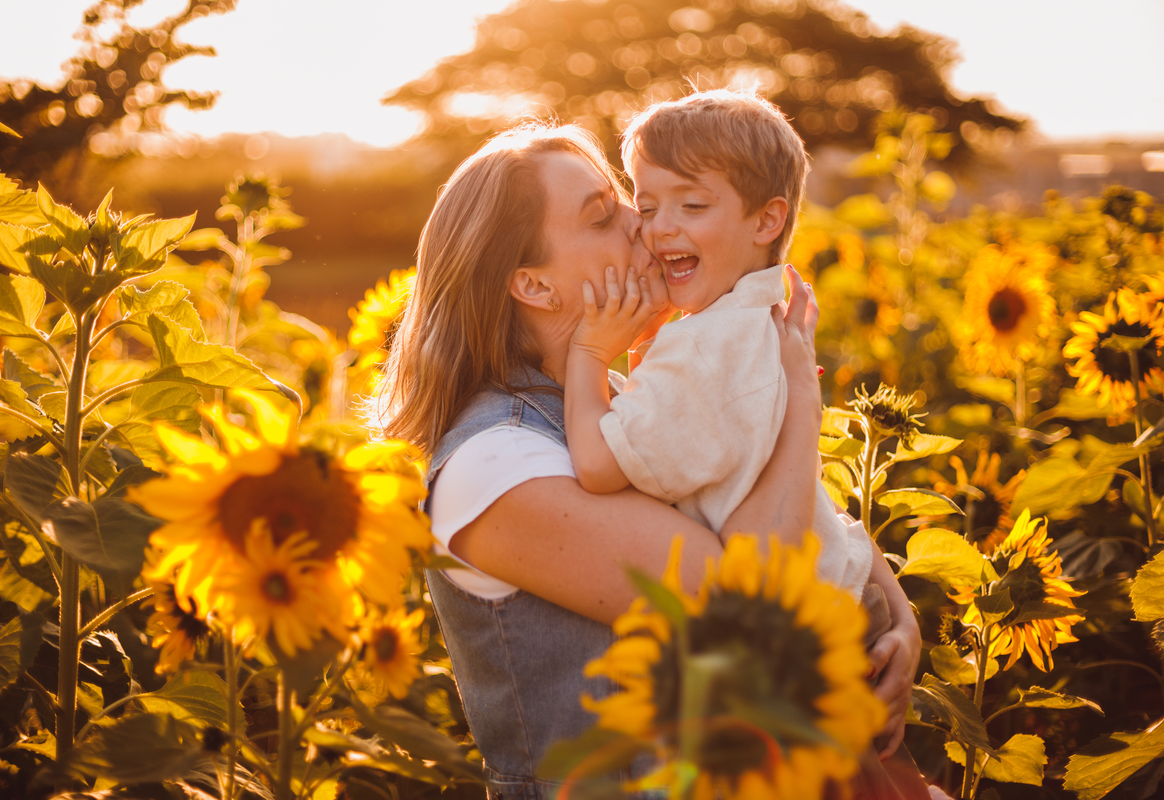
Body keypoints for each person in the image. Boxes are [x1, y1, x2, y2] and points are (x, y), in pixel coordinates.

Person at [380, 121, 922, 799]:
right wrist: (801, 401)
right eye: (605, 216)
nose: (645, 227)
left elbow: (792, 505)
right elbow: (750, 606)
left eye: (628, 202)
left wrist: (900, 616)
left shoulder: (611, 398)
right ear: (535, 286)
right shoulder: (496, 466)